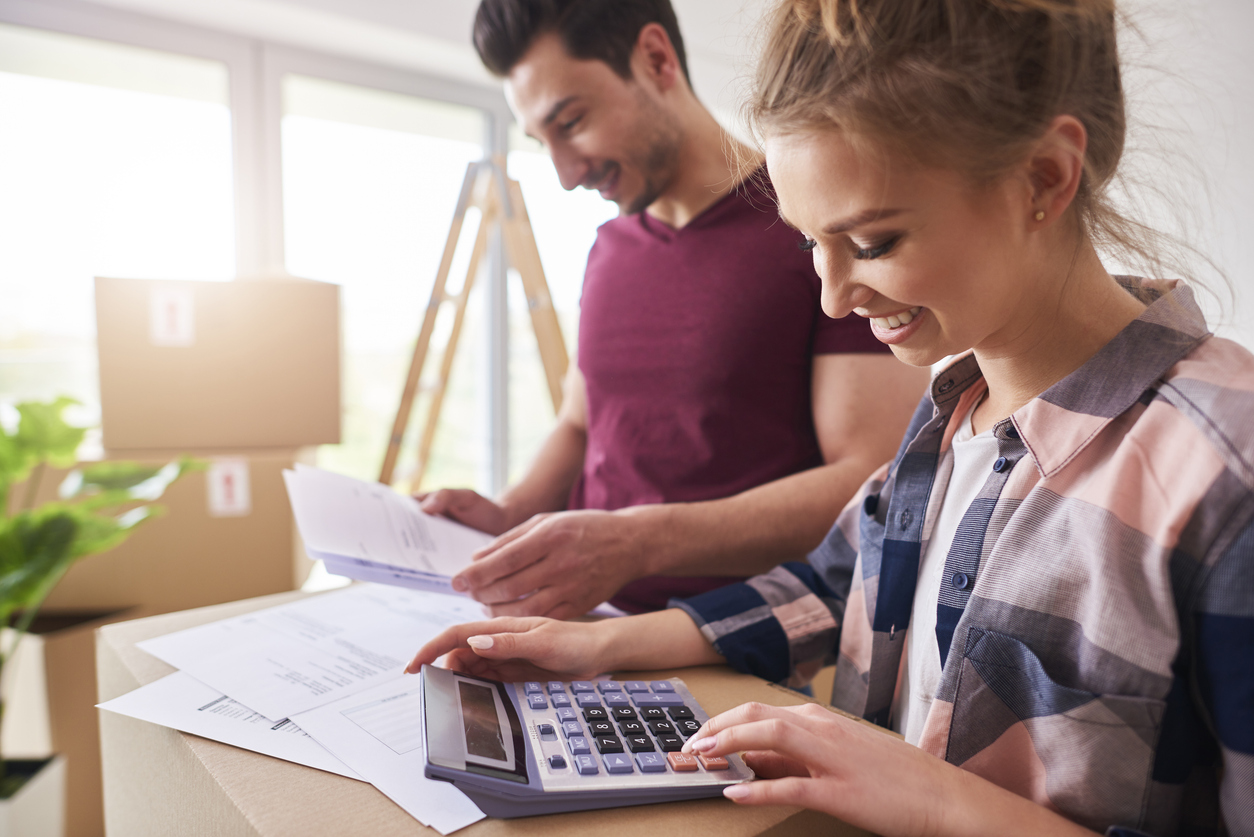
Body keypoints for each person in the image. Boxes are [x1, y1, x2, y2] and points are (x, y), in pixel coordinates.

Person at [408, 0, 1254, 834]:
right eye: (812, 242)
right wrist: (600, 648)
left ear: (1044, 177)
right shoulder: (950, 415)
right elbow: (831, 585)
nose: (835, 295)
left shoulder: (1225, 474)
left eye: (874, 243)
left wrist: (927, 797)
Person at [418, 0, 928, 618]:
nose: (565, 173)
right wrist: (508, 512)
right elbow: (582, 424)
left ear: (656, 59)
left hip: (735, 641)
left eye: (572, 122)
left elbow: (869, 480)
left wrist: (637, 543)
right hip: (581, 623)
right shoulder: (608, 247)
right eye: (543, 141)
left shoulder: (813, 227)